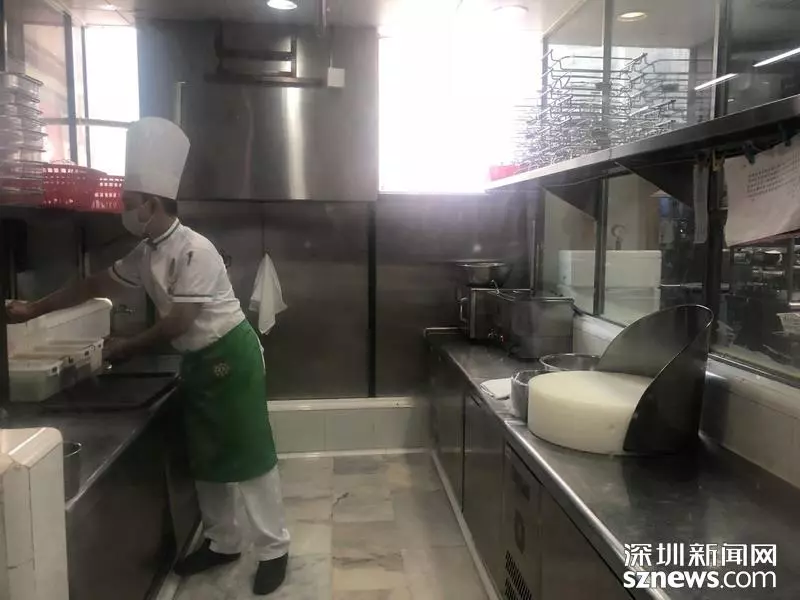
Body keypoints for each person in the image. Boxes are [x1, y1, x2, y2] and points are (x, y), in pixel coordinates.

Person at [5, 117, 290, 595]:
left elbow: (178, 321)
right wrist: (35, 308)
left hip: (231, 359)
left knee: (250, 456)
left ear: (152, 205)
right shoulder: (147, 252)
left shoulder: (196, 251)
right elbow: (95, 284)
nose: (124, 210)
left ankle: (274, 549)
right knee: (207, 457)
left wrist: (125, 347)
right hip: (199, 363)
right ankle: (223, 542)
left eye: (128, 203)